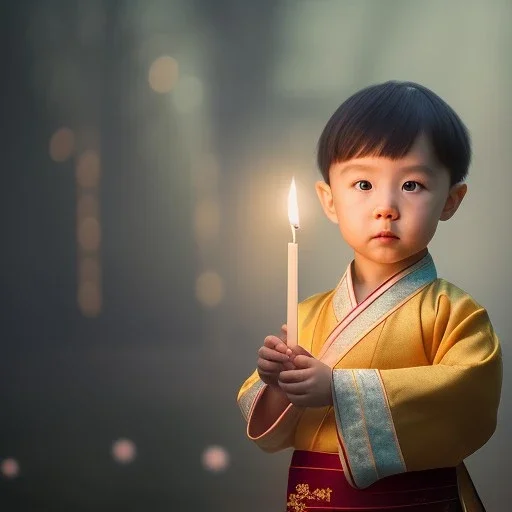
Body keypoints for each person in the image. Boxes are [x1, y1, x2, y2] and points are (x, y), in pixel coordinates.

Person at [237, 81, 502, 512]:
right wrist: (278, 384)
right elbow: (269, 427)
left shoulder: (456, 315)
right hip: (315, 498)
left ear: (451, 200)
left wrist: (339, 389)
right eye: (363, 184)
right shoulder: (306, 314)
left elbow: (466, 399)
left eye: (412, 185)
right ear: (329, 200)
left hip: (412, 501)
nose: (386, 207)